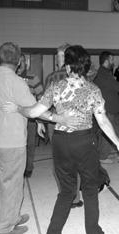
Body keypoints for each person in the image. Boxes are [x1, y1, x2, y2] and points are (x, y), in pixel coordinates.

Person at [1, 45, 119, 234]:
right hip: (85, 142)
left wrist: (18, 108)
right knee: (90, 190)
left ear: (67, 67)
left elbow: (34, 113)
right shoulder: (93, 90)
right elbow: (102, 121)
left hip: (61, 142)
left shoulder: (56, 87)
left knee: (67, 191)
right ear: (85, 68)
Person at [44, 43, 84, 208]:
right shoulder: (83, 77)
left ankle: (67, 195)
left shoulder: (52, 78)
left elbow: (43, 104)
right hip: (76, 124)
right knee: (76, 161)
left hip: (56, 123)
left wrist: (41, 121)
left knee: (60, 163)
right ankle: (76, 195)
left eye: (60, 56)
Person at [94, 51, 119, 164]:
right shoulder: (103, 73)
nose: (113, 62)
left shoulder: (105, 72)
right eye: (112, 59)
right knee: (107, 132)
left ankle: (102, 153)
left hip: (107, 106)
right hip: (107, 107)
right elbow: (117, 87)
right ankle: (103, 156)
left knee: (103, 132)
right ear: (106, 60)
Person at [16, 53, 43, 178]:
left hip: (30, 117)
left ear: (25, 62)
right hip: (15, 118)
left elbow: (41, 97)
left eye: (22, 61)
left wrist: (38, 117)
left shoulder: (33, 77)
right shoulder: (12, 77)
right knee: (16, 145)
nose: (20, 64)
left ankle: (29, 167)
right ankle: (18, 168)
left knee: (30, 144)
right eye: (18, 61)